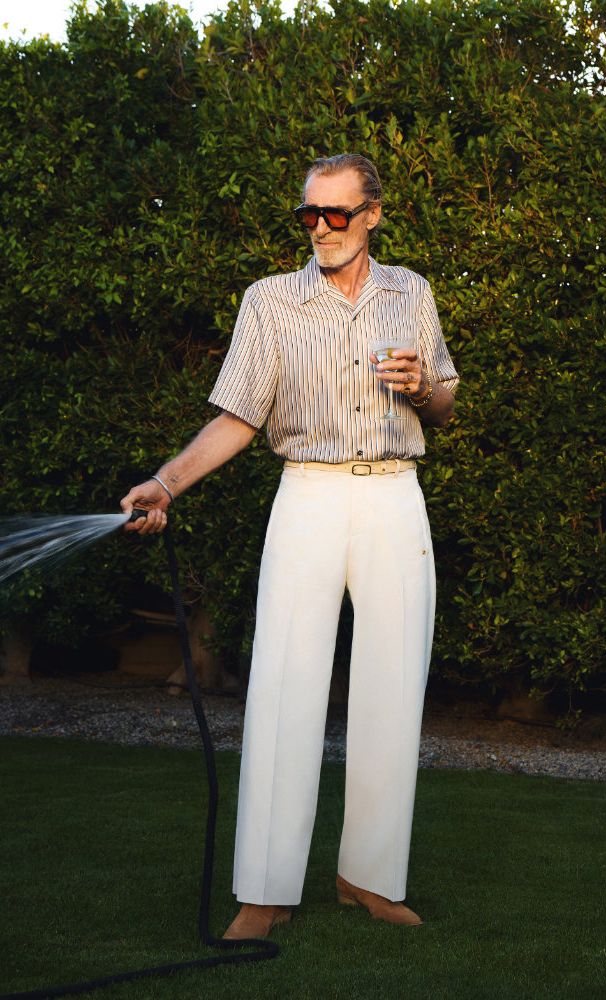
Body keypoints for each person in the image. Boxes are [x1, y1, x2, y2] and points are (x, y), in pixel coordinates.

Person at [121, 153, 459, 939]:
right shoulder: (270, 301)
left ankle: (369, 877)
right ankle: (265, 892)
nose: (321, 228)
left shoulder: (411, 292)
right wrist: (166, 483)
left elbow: (443, 399)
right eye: (309, 214)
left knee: (393, 690)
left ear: (373, 214)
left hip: (395, 496)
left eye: (336, 214)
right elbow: (238, 416)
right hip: (308, 494)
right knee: (283, 688)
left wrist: (422, 388)